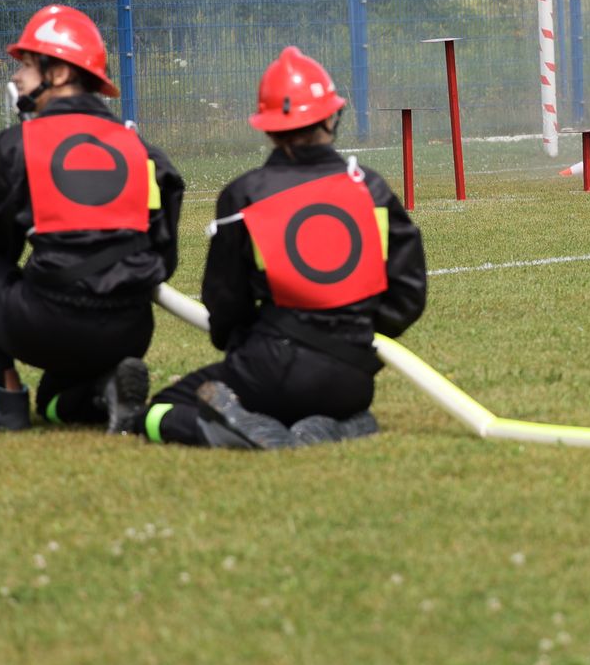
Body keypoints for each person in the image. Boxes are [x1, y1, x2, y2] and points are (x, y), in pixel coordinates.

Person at [132, 47, 426, 449]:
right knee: (350, 409)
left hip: (266, 372)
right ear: (331, 117)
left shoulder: (244, 196)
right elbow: (408, 294)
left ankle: (237, 427)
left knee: (159, 409)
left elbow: (225, 302)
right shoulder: (370, 188)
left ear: (267, 127)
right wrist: (357, 337)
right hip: (351, 379)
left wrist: (243, 346)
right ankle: (341, 425)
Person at [0, 4, 184, 432]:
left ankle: (7, 399)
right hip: (130, 330)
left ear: (61, 73)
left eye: (28, 65)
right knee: (54, 398)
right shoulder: (143, 151)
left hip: (49, 327)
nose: (16, 77)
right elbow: (164, 256)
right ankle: (106, 386)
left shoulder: (19, 145)